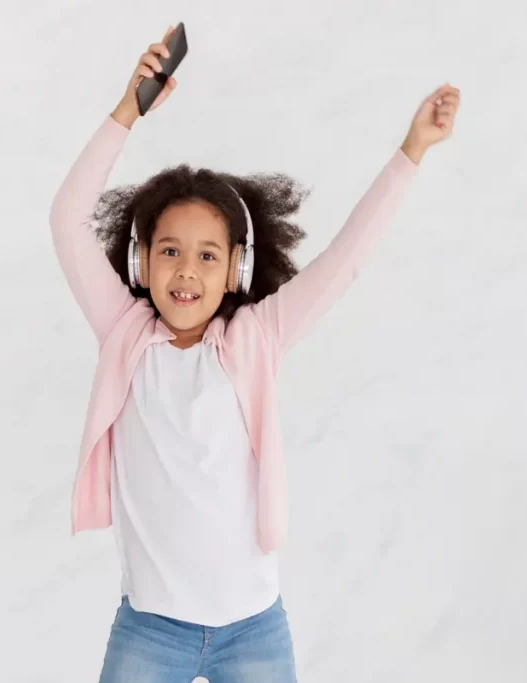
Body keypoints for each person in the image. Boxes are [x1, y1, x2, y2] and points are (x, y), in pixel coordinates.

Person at [48, 25, 461, 683]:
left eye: (208, 255)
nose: (187, 271)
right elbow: (67, 215)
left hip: (254, 626)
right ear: (141, 261)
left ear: (237, 271)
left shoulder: (256, 339)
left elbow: (346, 257)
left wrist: (411, 151)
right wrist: (129, 108)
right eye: (170, 251)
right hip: (150, 627)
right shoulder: (123, 333)